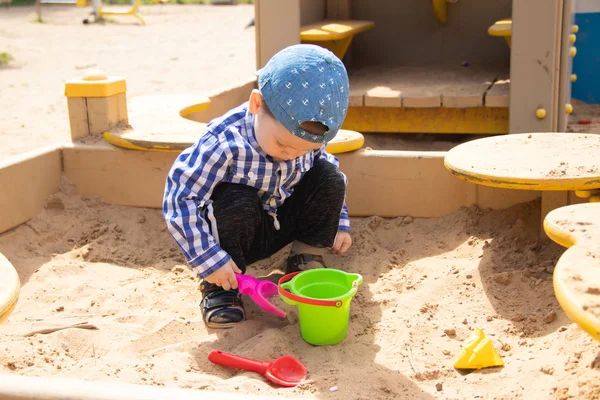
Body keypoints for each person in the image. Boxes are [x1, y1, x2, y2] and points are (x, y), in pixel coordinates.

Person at [162, 44, 352, 328]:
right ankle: (221, 288)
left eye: (302, 150)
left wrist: (340, 220)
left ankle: (304, 254)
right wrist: (208, 260)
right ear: (257, 104)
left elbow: (325, 171)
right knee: (234, 198)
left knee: (329, 175)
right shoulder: (224, 142)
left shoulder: (305, 141)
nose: (290, 154)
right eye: (282, 144)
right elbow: (180, 198)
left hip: (281, 222)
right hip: (233, 238)